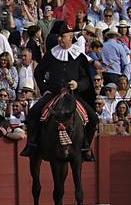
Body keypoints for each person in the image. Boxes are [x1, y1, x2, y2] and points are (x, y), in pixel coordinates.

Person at [21, 30, 98, 161]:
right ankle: (32, 144)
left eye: (63, 36)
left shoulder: (79, 56)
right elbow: (38, 72)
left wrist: (77, 84)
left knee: (93, 118)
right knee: (33, 112)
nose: (59, 39)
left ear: (71, 37)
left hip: (73, 95)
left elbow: (87, 79)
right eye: (59, 36)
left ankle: (85, 148)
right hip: (53, 93)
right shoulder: (51, 54)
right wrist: (45, 89)